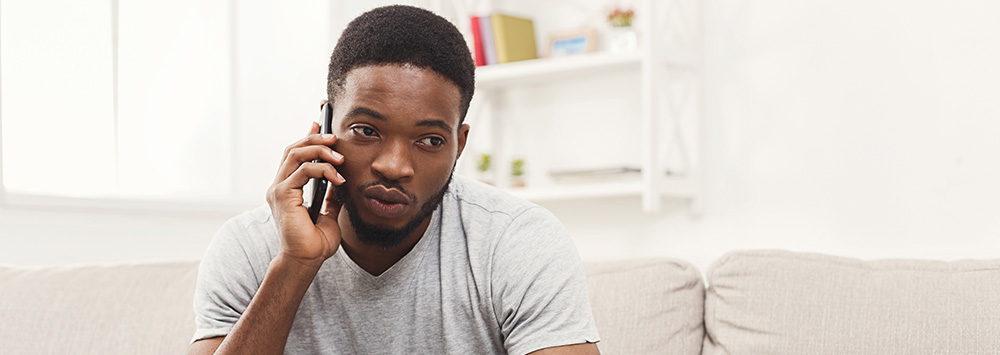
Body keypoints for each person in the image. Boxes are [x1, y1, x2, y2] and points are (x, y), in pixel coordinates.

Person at [187, 5, 600, 355]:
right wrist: (295, 265)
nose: (394, 165)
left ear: (459, 144)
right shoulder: (246, 247)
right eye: (366, 130)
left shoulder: (517, 241)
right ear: (327, 124)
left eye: (430, 140)